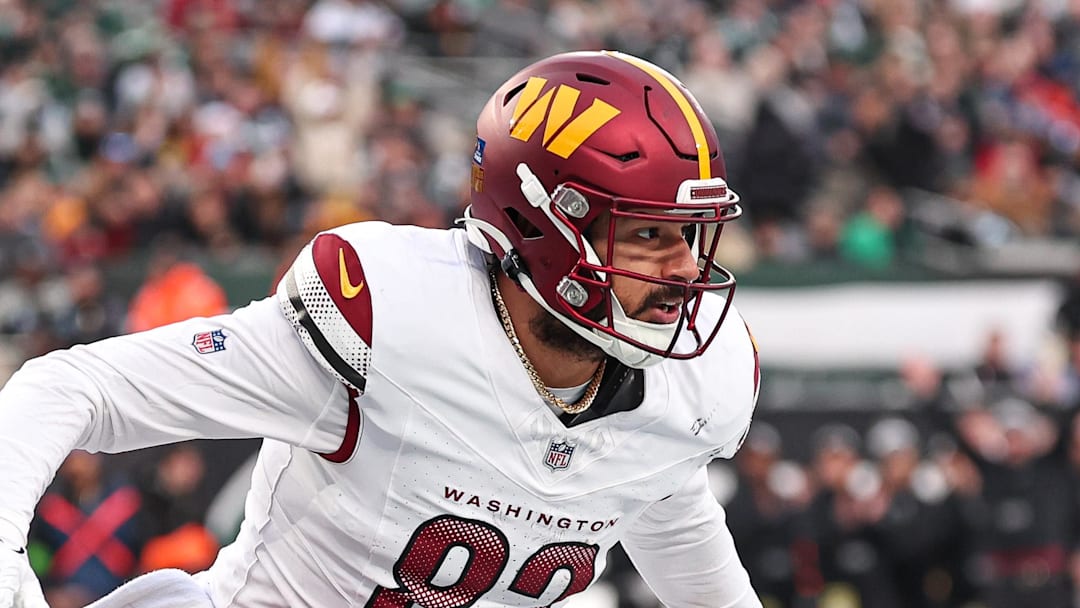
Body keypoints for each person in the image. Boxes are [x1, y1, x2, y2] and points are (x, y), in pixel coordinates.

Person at [0, 51, 762, 608]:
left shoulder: (691, 389)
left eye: (694, 236)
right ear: (545, 224)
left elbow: (670, 508)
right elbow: (70, 388)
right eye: (649, 236)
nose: (687, 271)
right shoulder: (389, 321)